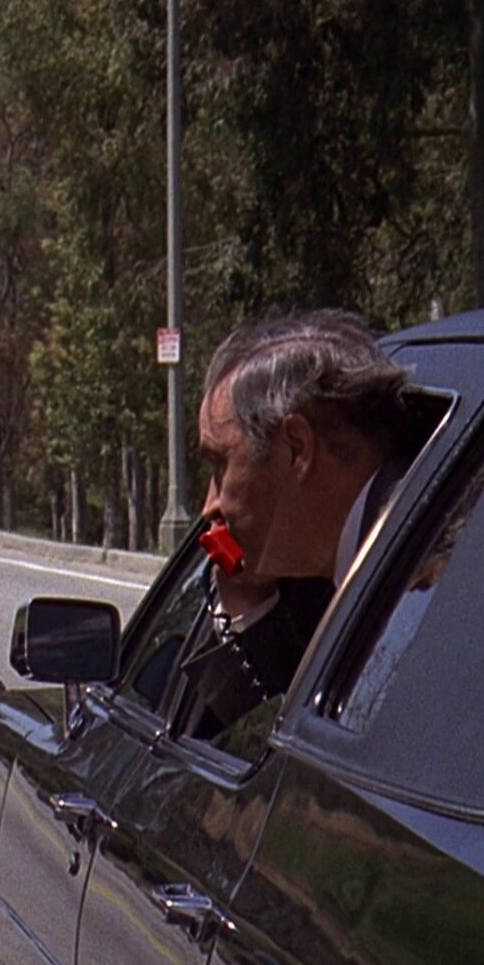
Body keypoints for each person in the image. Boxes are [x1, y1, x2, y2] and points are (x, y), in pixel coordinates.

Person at [175, 310, 412, 755]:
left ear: (297, 449)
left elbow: (275, 765)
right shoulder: (339, 575)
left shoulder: (419, 579)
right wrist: (248, 602)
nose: (209, 506)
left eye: (220, 464)